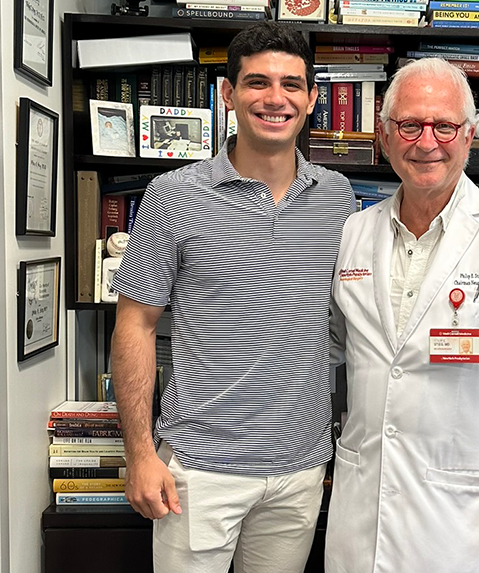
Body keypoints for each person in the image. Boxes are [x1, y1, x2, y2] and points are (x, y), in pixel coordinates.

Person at [108, 23, 355, 573]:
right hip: (200, 470)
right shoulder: (174, 194)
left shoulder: (338, 198)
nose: (275, 98)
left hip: (300, 469)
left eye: (292, 84)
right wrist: (140, 454)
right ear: (228, 94)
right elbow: (135, 326)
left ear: (312, 99)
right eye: (257, 82)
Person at [326, 57, 479, 573]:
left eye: (444, 126)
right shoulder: (353, 232)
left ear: (468, 136)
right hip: (362, 507)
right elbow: (331, 347)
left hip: (463, 516)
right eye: (410, 125)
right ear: (385, 136)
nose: (427, 142)